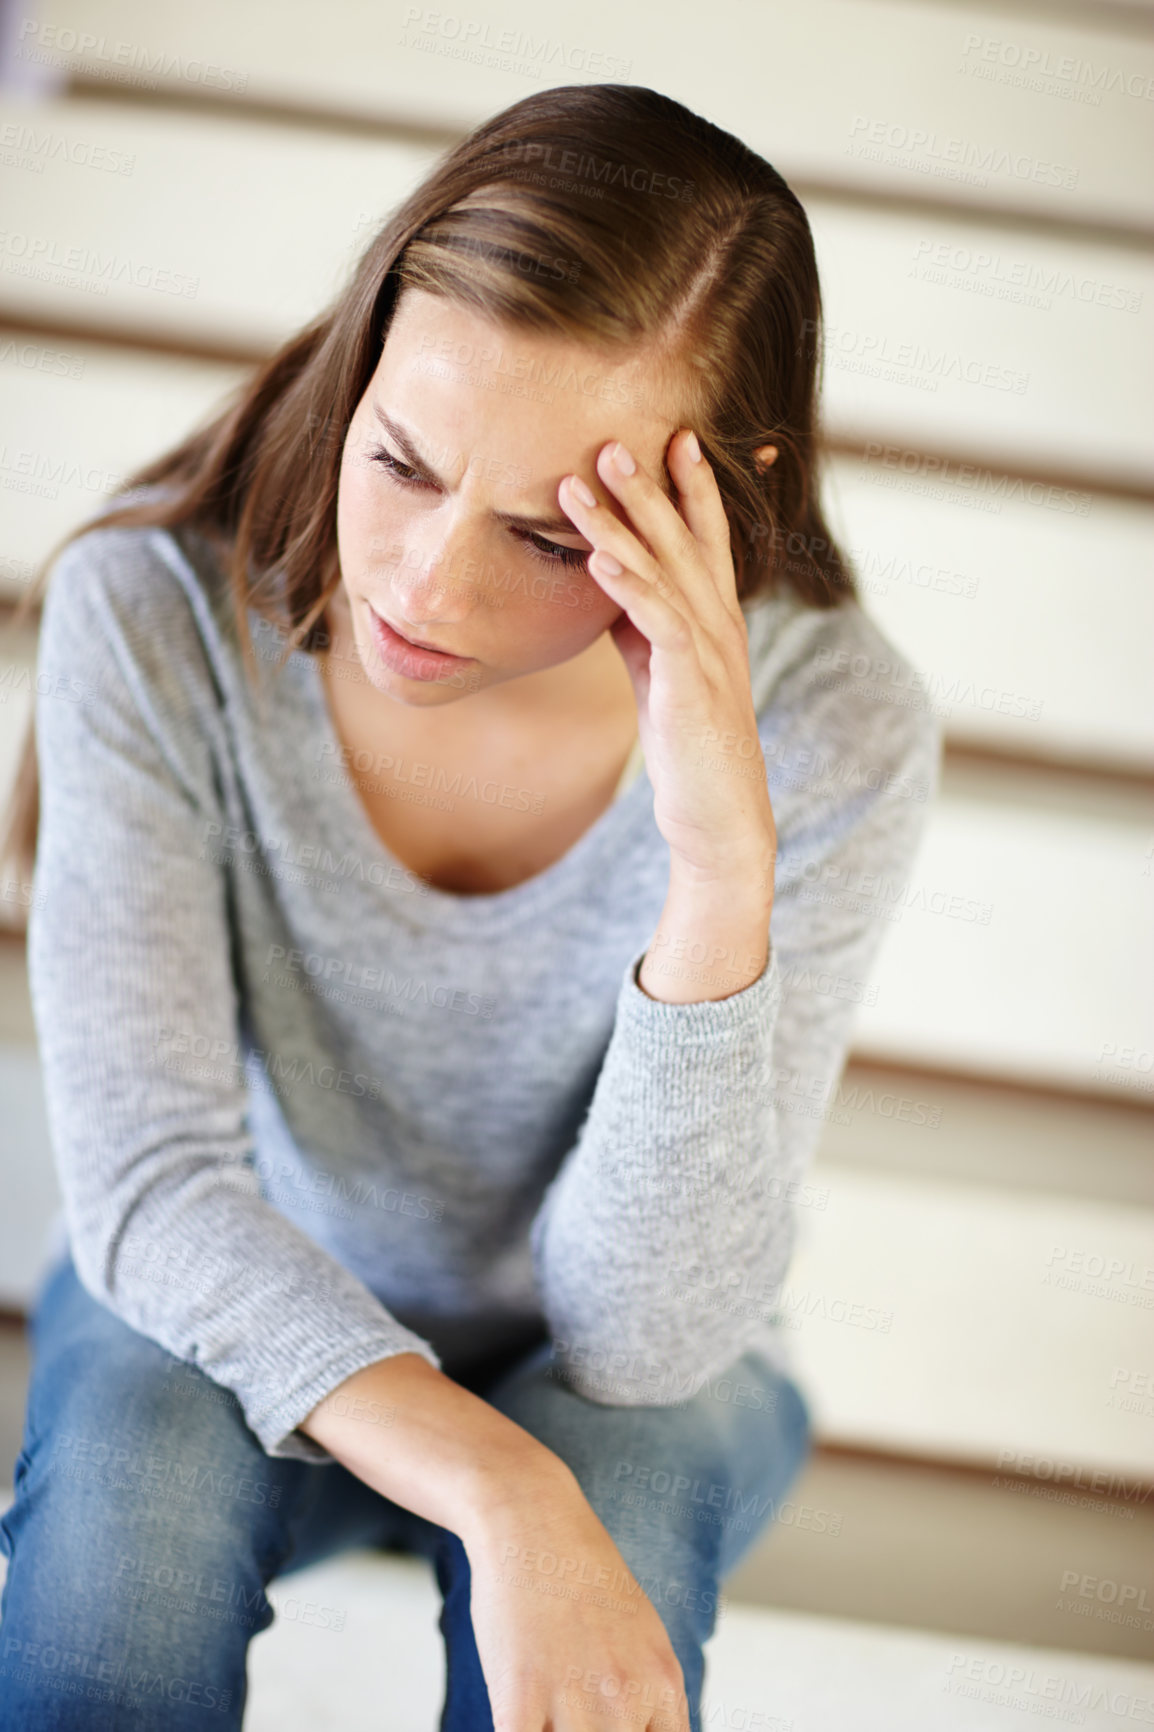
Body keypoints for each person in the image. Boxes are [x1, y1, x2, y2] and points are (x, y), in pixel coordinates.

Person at [0, 82, 939, 1731]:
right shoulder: (150, 623)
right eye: (402, 463)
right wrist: (503, 1495)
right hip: (229, 1284)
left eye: (537, 533)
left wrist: (718, 867)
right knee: (123, 1532)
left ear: (718, 494)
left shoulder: (833, 726)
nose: (423, 586)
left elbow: (638, 1347)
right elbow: (153, 1191)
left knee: (623, 1494)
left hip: (616, 1362)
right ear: (359, 364)